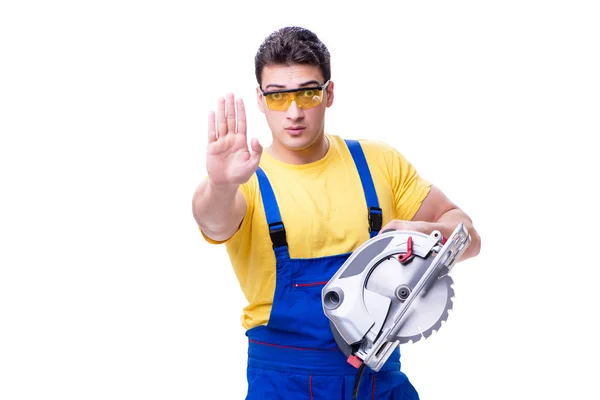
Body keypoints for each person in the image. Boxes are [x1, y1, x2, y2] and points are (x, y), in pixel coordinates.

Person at [192, 26, 481, 400]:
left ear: (329, 94)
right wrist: (220, 184)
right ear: (261, 101)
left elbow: (467, 235)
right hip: (283, 383)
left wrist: (421, 232)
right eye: (278, 98)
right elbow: (212, 220)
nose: (294, 112)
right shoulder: (244, 178)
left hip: (379, 378)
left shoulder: (378, 163)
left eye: (308, 93)